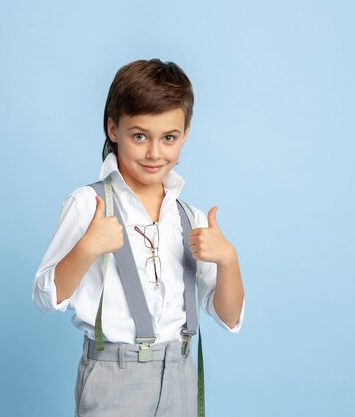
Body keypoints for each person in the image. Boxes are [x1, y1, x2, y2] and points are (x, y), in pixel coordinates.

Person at [32, 59, 245, 417]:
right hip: (115, 376)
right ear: (113, 129)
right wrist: (86, 248)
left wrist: (229, 260)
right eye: (140, 135)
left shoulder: (188, 217)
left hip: (180, 372)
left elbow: (228, 316)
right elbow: (44, 295)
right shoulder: (89, 205)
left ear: (185, 134)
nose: (154, 153)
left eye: (169, 138)